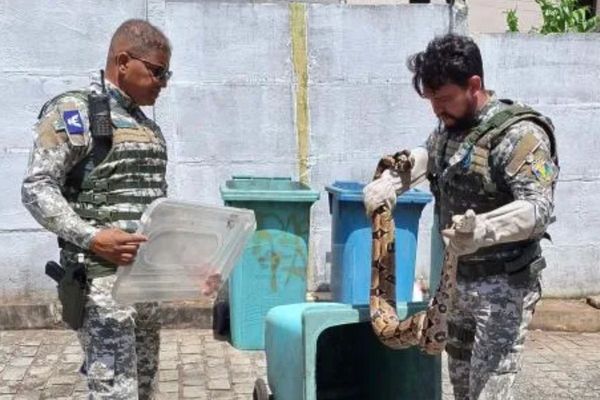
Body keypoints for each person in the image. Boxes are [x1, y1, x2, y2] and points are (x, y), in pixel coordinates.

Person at [363, 33, 558, 400]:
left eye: (444, 99)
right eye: (432, 101)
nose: (437, 110)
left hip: (504, 287)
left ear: (474, 85)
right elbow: (431, 154)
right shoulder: (451, 128)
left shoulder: (519, 135)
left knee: (488, 392)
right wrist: (393, 181)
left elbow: (539, 207)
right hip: (457, 284)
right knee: (464, 391)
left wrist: (485, 229)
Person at [22, 19, 172, 399]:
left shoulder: (146, 127)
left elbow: (157, 206)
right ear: (123, 62)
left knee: (142, 389)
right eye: (156, 71)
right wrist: (93, 237)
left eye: (167, 74)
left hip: (144, 284)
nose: (163, 82)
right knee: (113, 393)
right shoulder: (76, 111)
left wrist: (187, 266)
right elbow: (37, 188)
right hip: (102, 285)